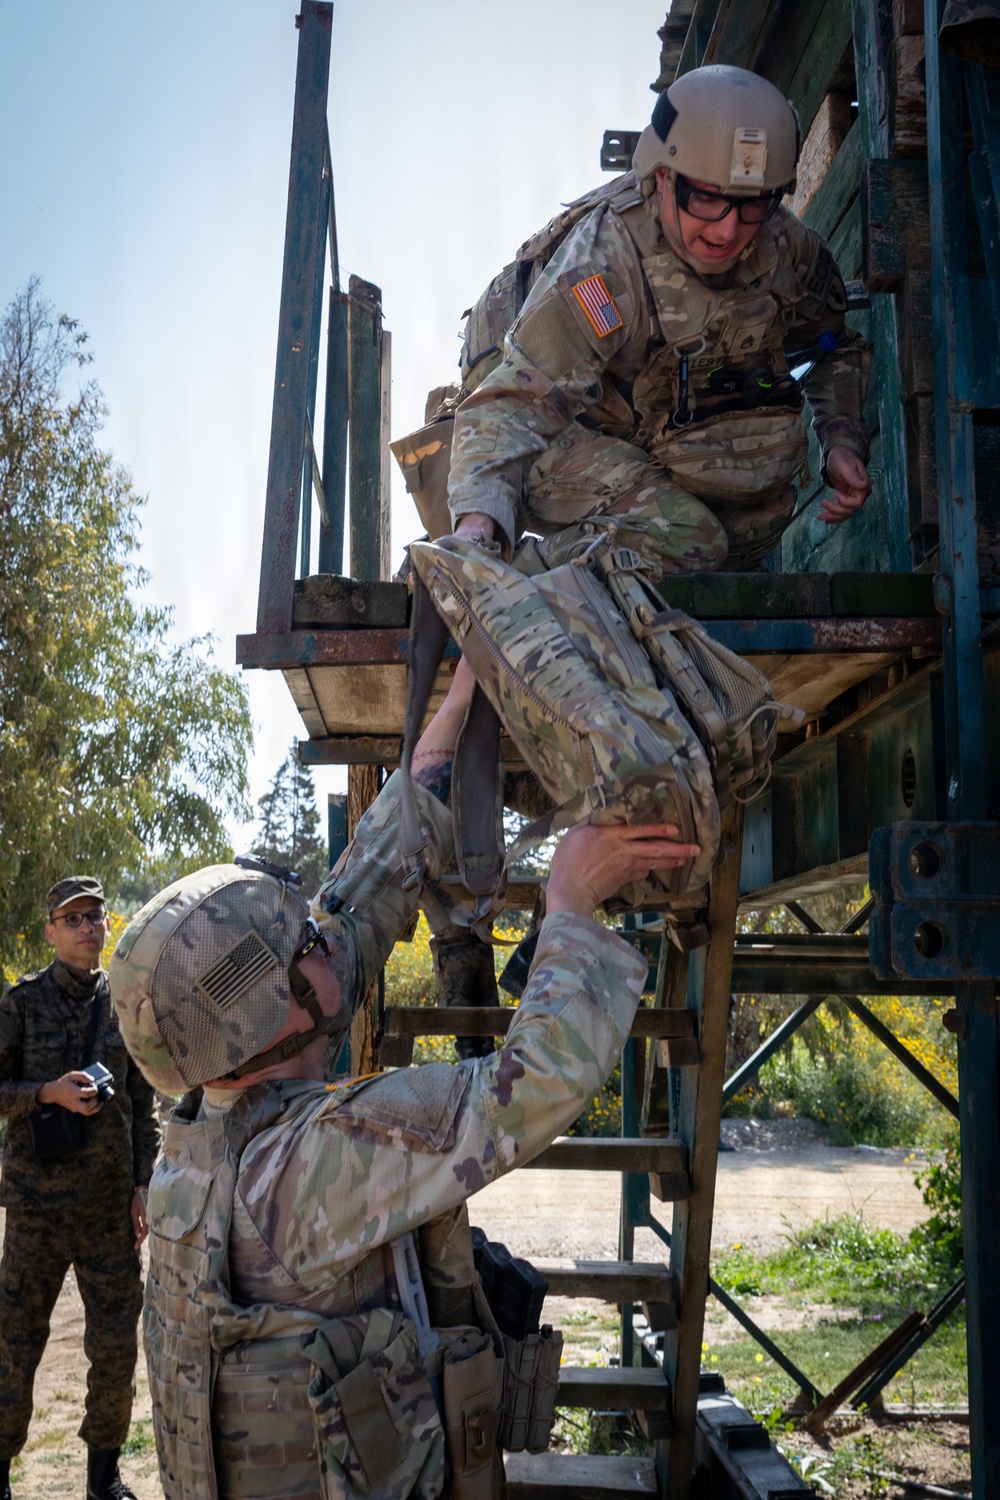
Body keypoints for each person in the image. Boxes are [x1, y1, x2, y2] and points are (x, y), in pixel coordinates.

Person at [107, 674, 700, 1500]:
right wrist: (569, 900)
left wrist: (449, 718)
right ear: (278, 1013)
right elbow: (531, 1088)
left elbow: (357, 902)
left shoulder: (211, 1115)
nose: (328, 931)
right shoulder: (303, 1168)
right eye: (305, 939)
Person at [441, 64, 872, 575]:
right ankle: (516, 581)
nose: (728, 229)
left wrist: (840, 437)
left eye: (752, 204)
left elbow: (834, 346)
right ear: (663, 179)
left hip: (642, 420)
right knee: (688, 539)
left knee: (753, 521)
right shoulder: (608, 261)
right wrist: (476, 530)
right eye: (706, 198)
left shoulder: (785, 248)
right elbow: (511, 408)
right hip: (547, 425)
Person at [0, 876, 161, 1500]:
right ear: (50, 930)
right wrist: (47, 1092)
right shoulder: (21, 1004)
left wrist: (143, 1183)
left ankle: (103, 1475)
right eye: (72, 918)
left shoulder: (125, 1002)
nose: (87, 927)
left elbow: (143, 1101)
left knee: (117, 1345)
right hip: (37, 1208)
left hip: (108, 1210)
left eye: (95, 916)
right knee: (15, 1345)